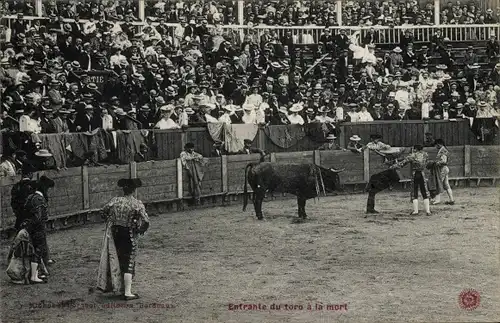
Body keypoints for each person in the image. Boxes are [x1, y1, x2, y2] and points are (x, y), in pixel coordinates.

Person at [97, 178, 150, 301]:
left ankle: (118, 288)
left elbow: (102, 212)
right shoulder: (136, 203)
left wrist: (110, 221)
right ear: (134, 190)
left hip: (115, 234)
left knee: (117, 259)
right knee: (129, 262)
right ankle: (127, 292)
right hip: (129, 234)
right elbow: (146, 221)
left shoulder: (115, 201)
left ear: (123, 190)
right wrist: (140, 229)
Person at [20, 175, 55, 283]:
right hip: (37, 229)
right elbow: (39, 218)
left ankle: (35, 273)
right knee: (38, 250)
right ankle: (34, 276)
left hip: (30, 227)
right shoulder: (39, 199)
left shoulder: (30, 197)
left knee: (32, 250)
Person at [391, 145, 432, 216]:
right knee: (425, 191)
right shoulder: (425, 155)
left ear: (415, 149)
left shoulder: (412, 156)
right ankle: (428, 211)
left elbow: (402, 163)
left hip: (415, 174)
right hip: (422, 174)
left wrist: (393, 166)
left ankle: (416, 211)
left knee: (414, 191)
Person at [11, 162, 36, 230]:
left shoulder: (16, 186)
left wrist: (17, 213)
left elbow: (13, 203)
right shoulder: (32, 186)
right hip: (30, 218)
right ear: (29, 174)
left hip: (19, 217)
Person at [429, 139, 455, 205]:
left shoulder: (443, 150)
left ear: (438, 144)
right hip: (445, 169)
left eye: (436, 145)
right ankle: (451, 199)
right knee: (446, 185)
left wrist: (436, 163)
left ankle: (437, 200)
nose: (435, 147)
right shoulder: (443, 149)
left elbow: (444, 161)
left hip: (442, 169)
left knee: (438, 183)